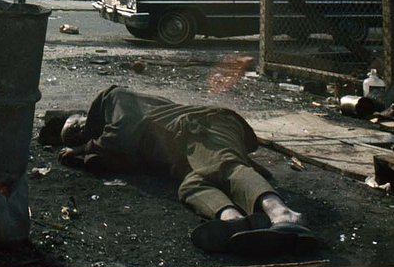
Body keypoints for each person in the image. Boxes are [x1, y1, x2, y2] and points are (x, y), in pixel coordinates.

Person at [45, 84, 317, 257]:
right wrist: (82, 157)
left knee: (223, 166)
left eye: (76, 125)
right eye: (74, 136)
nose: (78, 133)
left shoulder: (113, 98)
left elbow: (123, 132)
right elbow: (112, 159)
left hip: (201, 125)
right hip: (185, 149)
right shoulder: (108, 142)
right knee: (191, 186)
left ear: (85, 114)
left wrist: (80, 150)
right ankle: (234, 223)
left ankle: (284, 215)